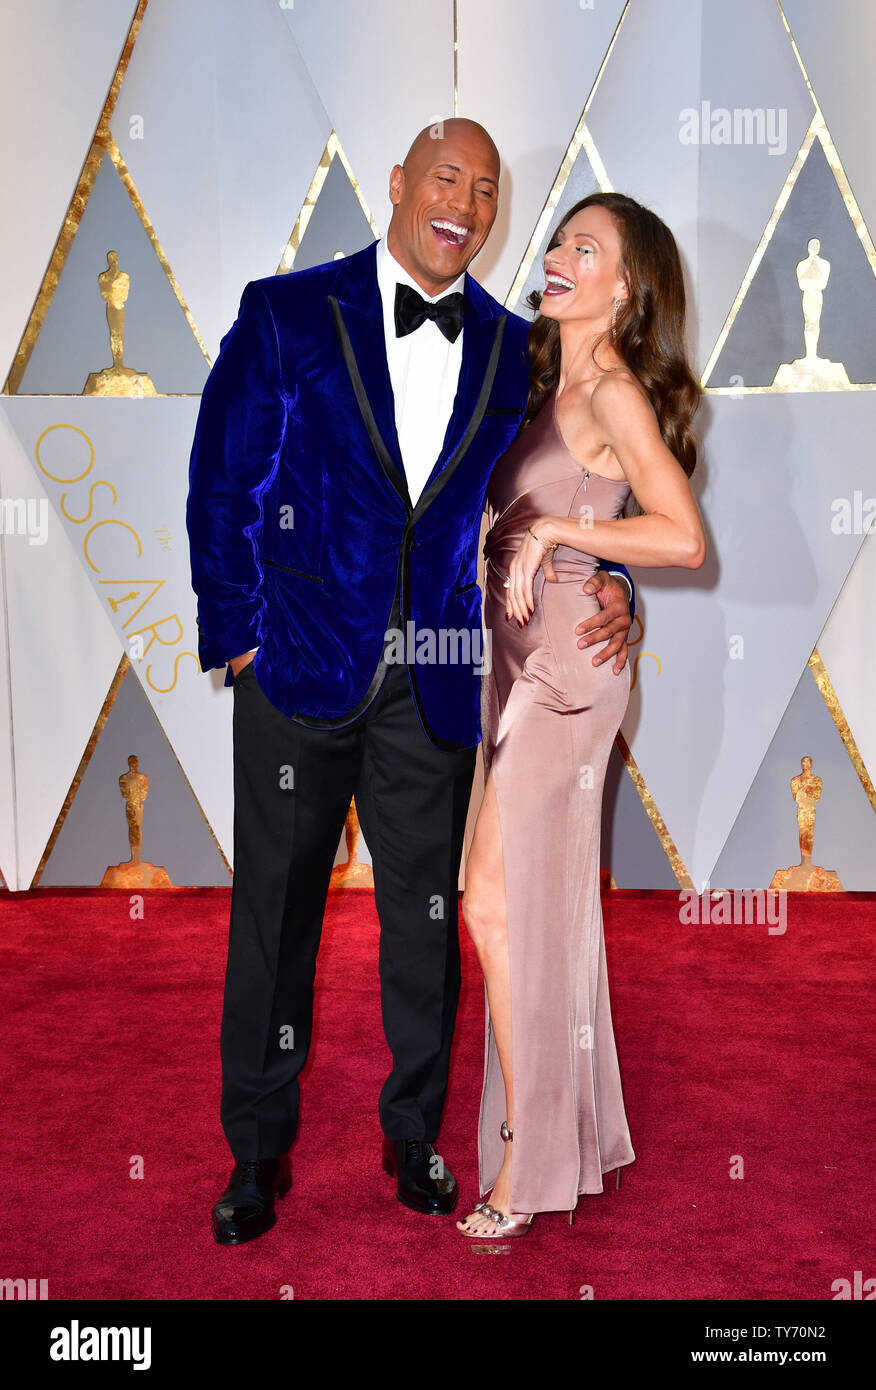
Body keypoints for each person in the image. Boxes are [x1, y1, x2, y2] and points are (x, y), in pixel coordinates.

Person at [186, 121, 636, 1247]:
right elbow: (222, 478)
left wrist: (611, 571)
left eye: (487, 192)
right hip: (296, 663)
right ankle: (254, 1153)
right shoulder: (289, 310)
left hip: (439, 678)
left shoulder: (511, 345)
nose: (466, 204)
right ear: (397, 184)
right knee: (276, 918)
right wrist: (239, 633)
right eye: (447, 178)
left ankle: (414, 1134)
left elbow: (553, 485)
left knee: (424, 923)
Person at [457, 193, 706, 1238]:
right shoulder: (544, 378)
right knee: (523, 907)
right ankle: (557, 1130)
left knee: (491, 903)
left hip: (565, 671)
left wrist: (570, 531)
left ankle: (530, 1151)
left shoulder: (611, 392)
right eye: (560, 239)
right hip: (515, 662)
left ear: (625, 288)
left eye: (585, 249)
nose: (557, 255)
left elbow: (683, 536)